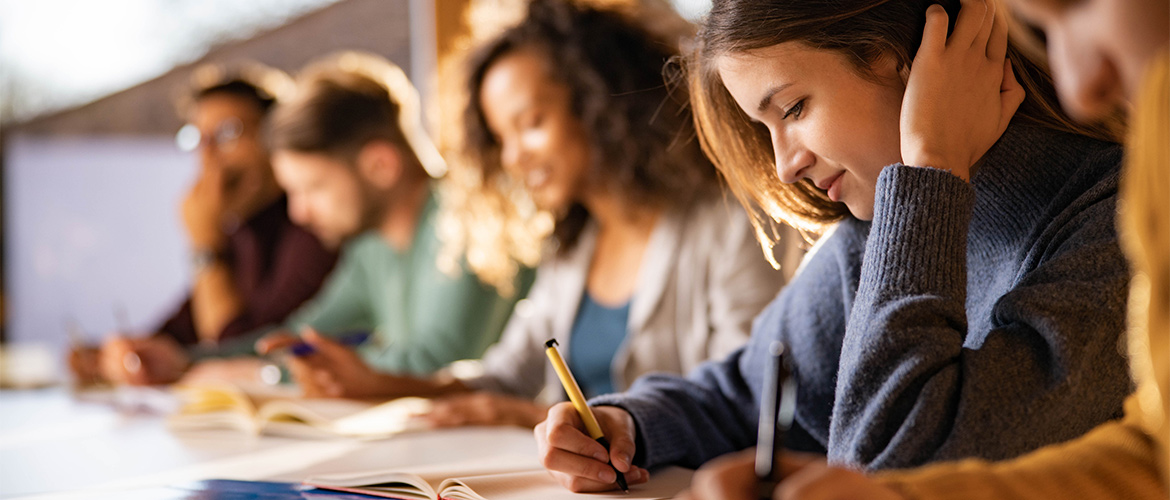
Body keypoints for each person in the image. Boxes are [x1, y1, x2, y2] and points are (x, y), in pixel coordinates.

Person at [535, 0, 1136, 492]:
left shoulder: (1118, 225)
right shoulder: (879, 232)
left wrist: (929, 173)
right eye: (763, 128)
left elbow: (885, 468)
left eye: (793, 108)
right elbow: (752, 393)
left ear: (912, 60)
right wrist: (628, 424)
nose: (784, 165)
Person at [303, 0, 792, 428]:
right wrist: (378, 382)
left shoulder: (730, 222)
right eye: (501, 139)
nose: (514, 158)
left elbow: (742, 402)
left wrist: (531, 418)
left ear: (598, 103)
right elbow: (506, 378)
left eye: (531, 123)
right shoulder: (573, 246)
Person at [252, 53, 530, 395]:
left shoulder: (469, 215)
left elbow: (437, 362)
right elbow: (300, 336)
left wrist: (270, 375)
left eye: (312, 188)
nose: (299, 213)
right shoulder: (370, 246)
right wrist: (189, 361)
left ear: (380, 165)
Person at [68, 64, 337, 386]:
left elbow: (242, 350)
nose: (208, 157)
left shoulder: (315, 227)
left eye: (227, 133)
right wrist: (113, 356)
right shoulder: (240, 234)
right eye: (198, 138)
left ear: (276, 137)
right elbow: (180, 336)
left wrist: (205, 248)